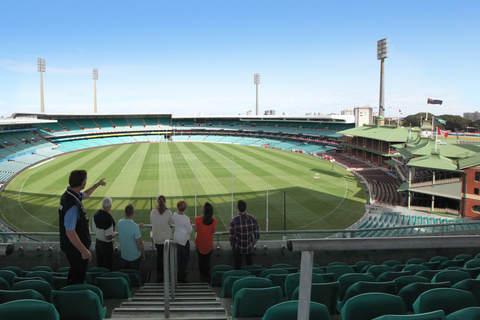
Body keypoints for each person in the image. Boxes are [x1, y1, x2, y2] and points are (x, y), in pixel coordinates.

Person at [59, 170, 106, 285]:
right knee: (77, 276)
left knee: (75, 273)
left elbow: (86, 194)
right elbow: (70, 232)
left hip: (73, 248)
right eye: (85, 180)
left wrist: (97, 184)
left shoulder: (70, 195)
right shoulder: (72, 205)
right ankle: (74, 297)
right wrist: (84, 251)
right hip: (76, 250)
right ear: (82, 183)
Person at [229, 199, 260, 270]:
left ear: (237, 208)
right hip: (249, 247)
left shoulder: (234, 220)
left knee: (237, 268)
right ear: (245, 208)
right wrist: (252, 244)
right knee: (250, 268)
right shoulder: (253, 218)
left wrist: (233, 247)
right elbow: (257, 235)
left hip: (238, 248)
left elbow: (232, 238)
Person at [150, 195, 173, 281]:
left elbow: (152, 222)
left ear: (157, 202)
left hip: (157, 238)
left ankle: (160, 274)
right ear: (165, 202)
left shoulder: (153, 212)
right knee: (166, 256)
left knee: (159, 255)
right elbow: (171, 223)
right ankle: (166, 272)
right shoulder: (169, 212)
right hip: (166, 239)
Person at [194, 202, 217, 282]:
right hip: (208, 244)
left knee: (201, 260)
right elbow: (214, 231)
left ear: (204, 210)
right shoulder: (213, 221)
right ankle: (206, 275)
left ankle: (202, 275)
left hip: (200, 243)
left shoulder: (197, 220)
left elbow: (195, 230)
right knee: (207, 261)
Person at [117, 204, 145, 270]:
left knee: (126, 275)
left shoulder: (119, 223)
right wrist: (143, 253)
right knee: (134, 275)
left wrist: (137, 227)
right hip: (134, 257)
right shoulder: (134, 227)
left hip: (124, 256)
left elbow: (126, 229)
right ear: (133, 212)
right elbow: (140, 244)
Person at [93, 197, 117, 271]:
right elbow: (108, 237)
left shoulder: (96, 214)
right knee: (108, 266)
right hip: (106, 246)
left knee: (99, 264)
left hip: (98, 243)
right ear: (110, 206)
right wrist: (114, 234)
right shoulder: (108, 218)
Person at [173, 199, 193, 283]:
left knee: (180, 256)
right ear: (185, 208)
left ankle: (180, 272)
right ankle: (180, 276)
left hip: (177, 238)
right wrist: (190, 223)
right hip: (184, 240)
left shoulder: (174, 214)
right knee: (185, 258)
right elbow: (190, 230)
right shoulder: (185, 218)